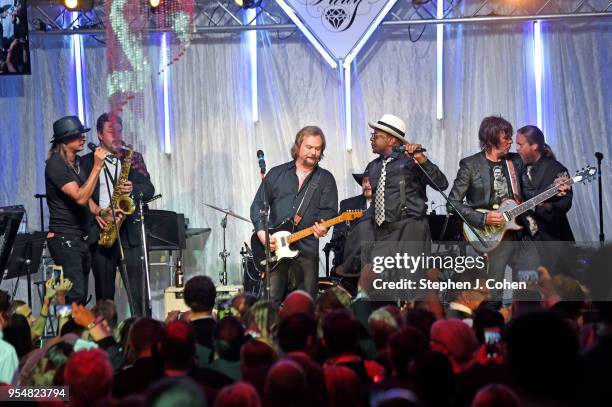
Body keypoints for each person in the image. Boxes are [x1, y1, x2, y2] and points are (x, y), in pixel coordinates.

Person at [447, 116, 538, 302]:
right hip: (493, 237)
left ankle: (526, 320)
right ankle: (492, 325)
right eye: (506, 137)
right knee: (494, 292)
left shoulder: (516, 161)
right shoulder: (470, 165)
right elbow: (452, 204)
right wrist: (483, 219)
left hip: (521, 234)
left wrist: (553, 191)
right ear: (490, 139)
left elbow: (529, 194)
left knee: (530, 285)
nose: (511, 141)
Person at [250, 126, 338, 304]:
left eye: (318, 148)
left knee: (304, 305)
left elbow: (329, 211)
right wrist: (261, 233)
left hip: (306, 252)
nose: (314, 152)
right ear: (298, 146)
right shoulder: (276, 173)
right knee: (269, 303)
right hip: (275, 251)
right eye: (309, 147)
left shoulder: (325, 179)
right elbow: (258, 205)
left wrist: (324, 226)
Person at [82, 113, 155, 316]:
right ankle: (106, 340)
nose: (116, 136)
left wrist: (134, 188)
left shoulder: (133, 158)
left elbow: (149, 189)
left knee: (138, 293)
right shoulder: (86, 162)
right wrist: (95, 212)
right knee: (104, 297)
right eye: (111, 131)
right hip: (102, 231)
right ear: (99, 135)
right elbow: (79, 196)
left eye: (119, 131)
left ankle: (142, 336)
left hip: (130, 234)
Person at [45, 115, 110, 305]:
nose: (83, 137)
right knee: (75, 295)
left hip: (80, 237)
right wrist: (97, 167)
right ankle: (67, 333)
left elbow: (87, 199)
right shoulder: (55, 164)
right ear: (63, 140)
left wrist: (101, 212)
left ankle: (73, 332)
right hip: (64, 237)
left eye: (83, 133)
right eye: (77, 135)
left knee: (79, 297)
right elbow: (79, 196)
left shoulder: (78, 163)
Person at [515, 125, 573, 271]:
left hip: (552, 241)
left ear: (534, 146)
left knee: (556, 289)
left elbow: (565, 204)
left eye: (520, 144)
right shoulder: (517, 167)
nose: (517, 148)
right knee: (528, 287)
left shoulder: (557, 169)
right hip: (526, 241)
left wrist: (547, 206)